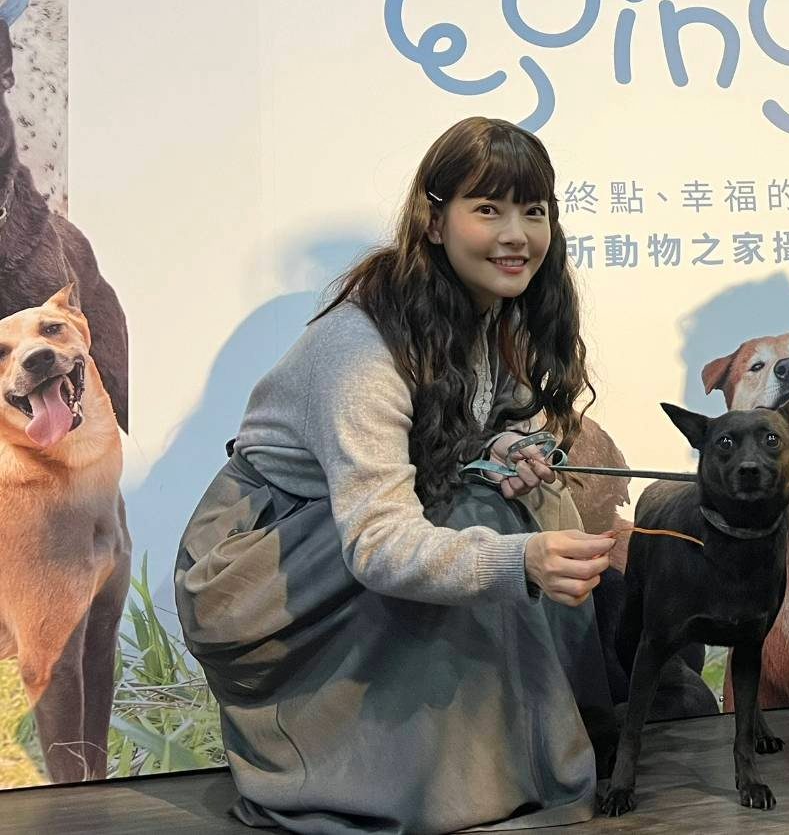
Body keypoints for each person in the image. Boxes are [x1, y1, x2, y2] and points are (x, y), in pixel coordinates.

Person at [176, 117, 617, 832]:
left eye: (533, 211)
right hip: (259, 570)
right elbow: (378, 542)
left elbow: (467, 424)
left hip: (331, 534)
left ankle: (520, 757)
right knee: (485, 522)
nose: (516, 235)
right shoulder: (361, 349)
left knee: (527, 498)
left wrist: (504, 446)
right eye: (488, 209)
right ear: (434, 221)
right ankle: (415, 782)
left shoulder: (483, 312)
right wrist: (521, 560)